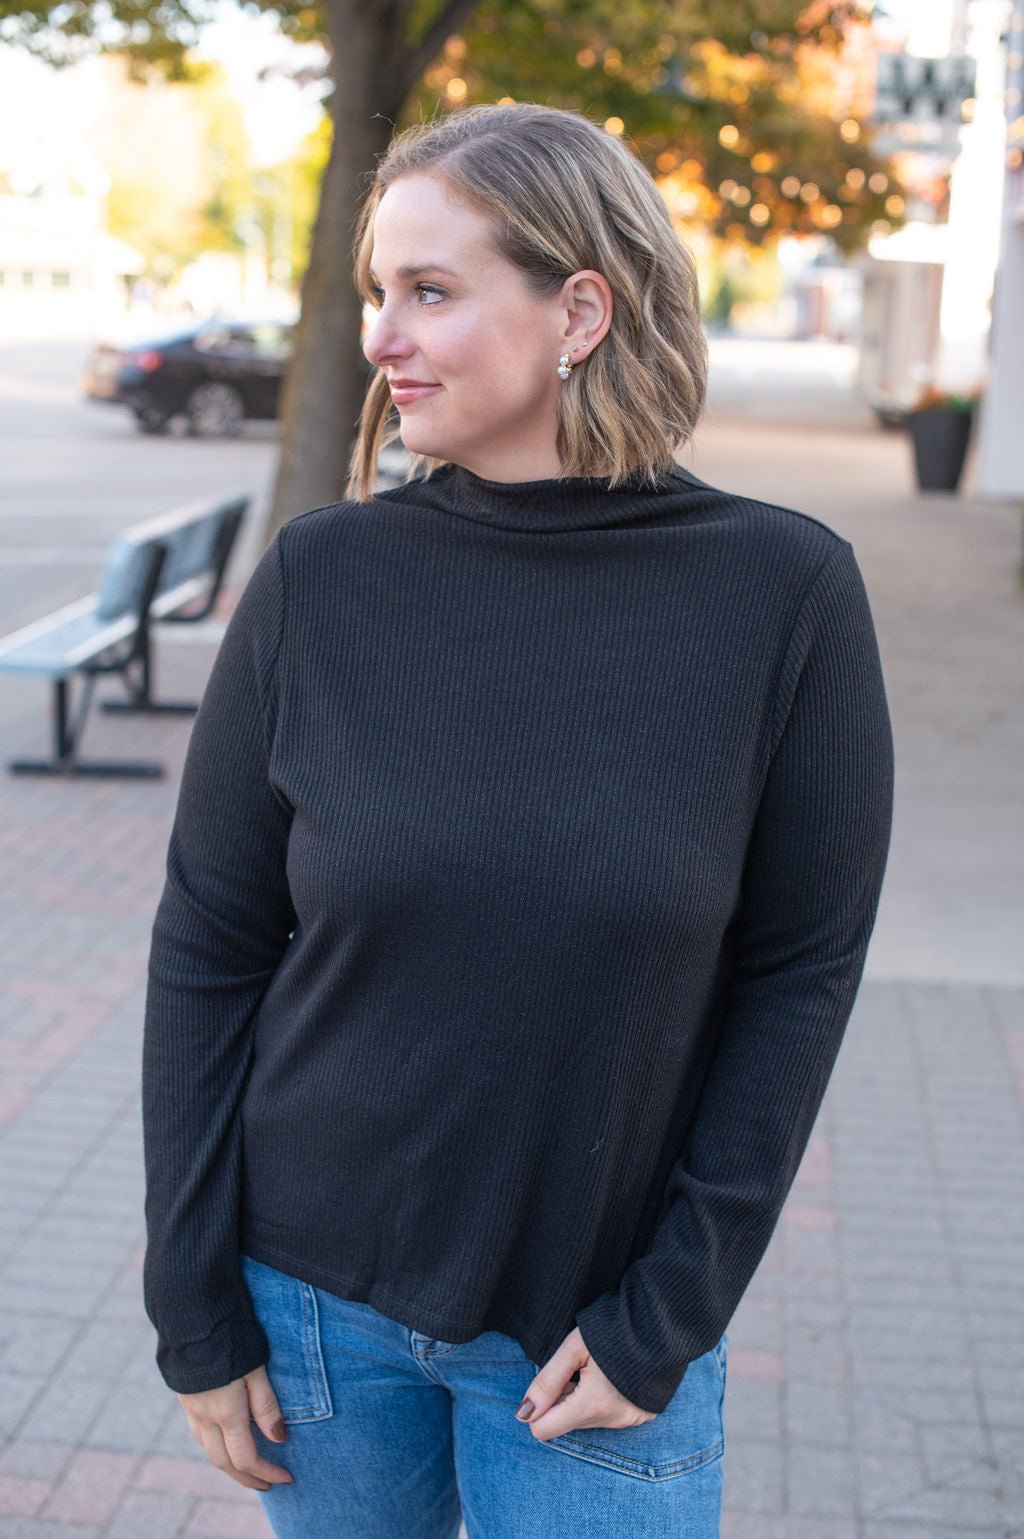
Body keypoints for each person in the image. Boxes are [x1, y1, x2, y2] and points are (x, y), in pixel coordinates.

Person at [142, 102, 894, 1539]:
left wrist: (670, 1310)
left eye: (429, 290)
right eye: (377, 292)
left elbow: (801, 973)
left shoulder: (782, 597)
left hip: (593, 1344)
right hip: (312, 1322)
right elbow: (210, 947)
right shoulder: (322, 581)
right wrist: (194, 1300)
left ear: (580, 309)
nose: (381, 335)